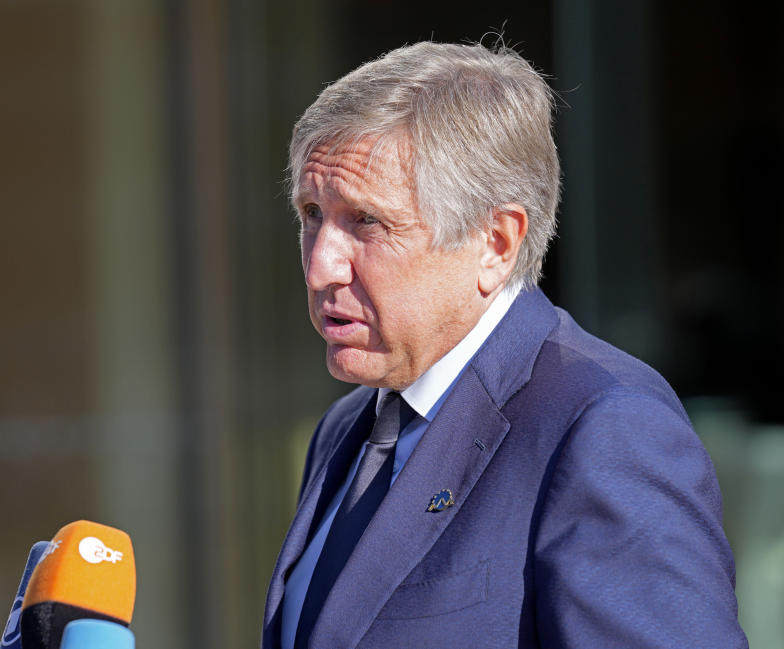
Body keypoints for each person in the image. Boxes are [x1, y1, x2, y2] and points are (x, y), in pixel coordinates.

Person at [261, 42, 747, 649]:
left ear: (495, 242)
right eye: (311, 214)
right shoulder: (348, 426)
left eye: (367, 221)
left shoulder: (606, 429)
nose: (321, 267)